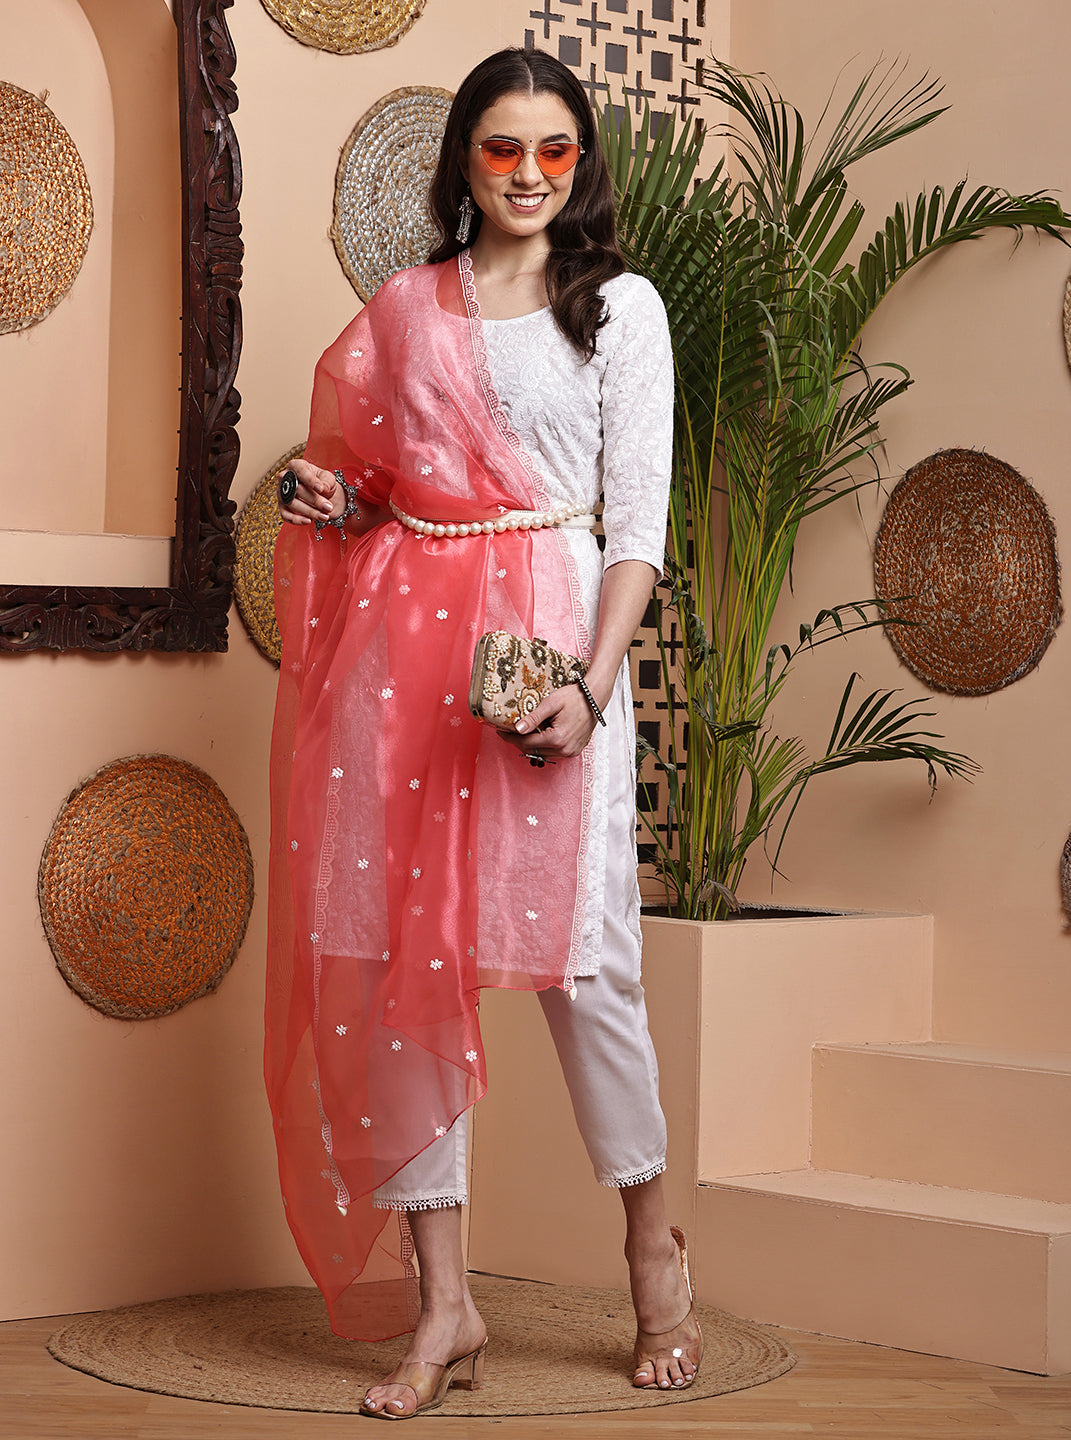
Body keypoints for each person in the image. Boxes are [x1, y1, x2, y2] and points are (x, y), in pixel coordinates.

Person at [267, 45, 702, 1420]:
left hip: (546, 660)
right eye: (503, 148)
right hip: (403, 672)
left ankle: (652, 1253)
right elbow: (392, 486)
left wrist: (593, 683)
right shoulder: (408, 308)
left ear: (581, 162)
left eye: (553, 149)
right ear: (464, 157)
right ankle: (444, 1301)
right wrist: (337, 504)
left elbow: (635, 529)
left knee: (587, 967)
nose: (527, 174)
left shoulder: (619, 307)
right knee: (393, 960)